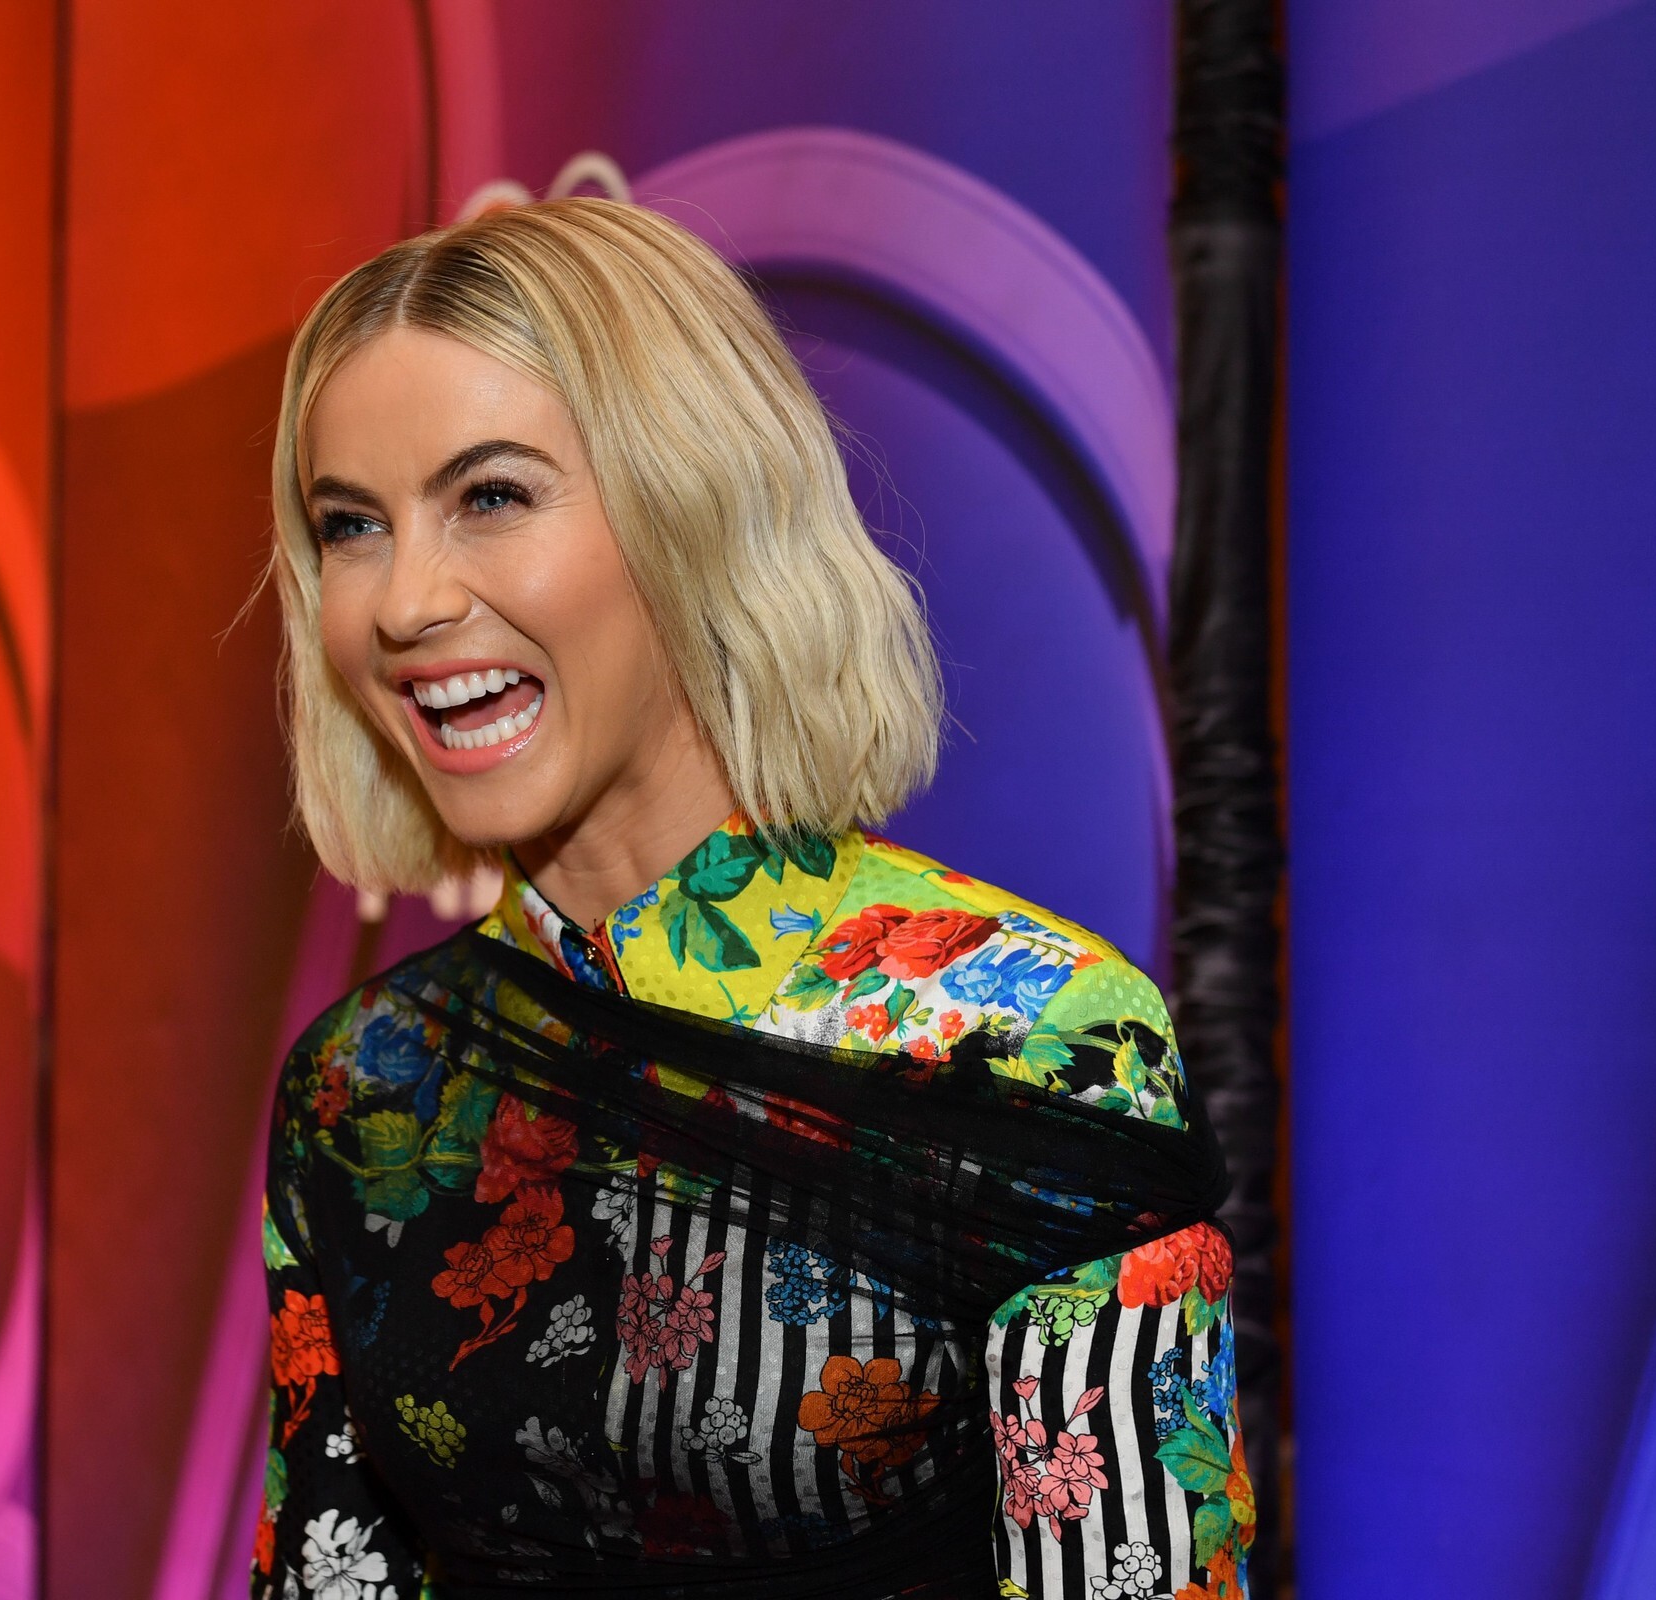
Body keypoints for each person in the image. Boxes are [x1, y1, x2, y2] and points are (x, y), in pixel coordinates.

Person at [255, 198, 1250, 1600]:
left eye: (491, 496)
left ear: (695, 509)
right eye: (351, 525)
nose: (404, 601)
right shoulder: (365, 1087)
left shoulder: (1037, 1041)